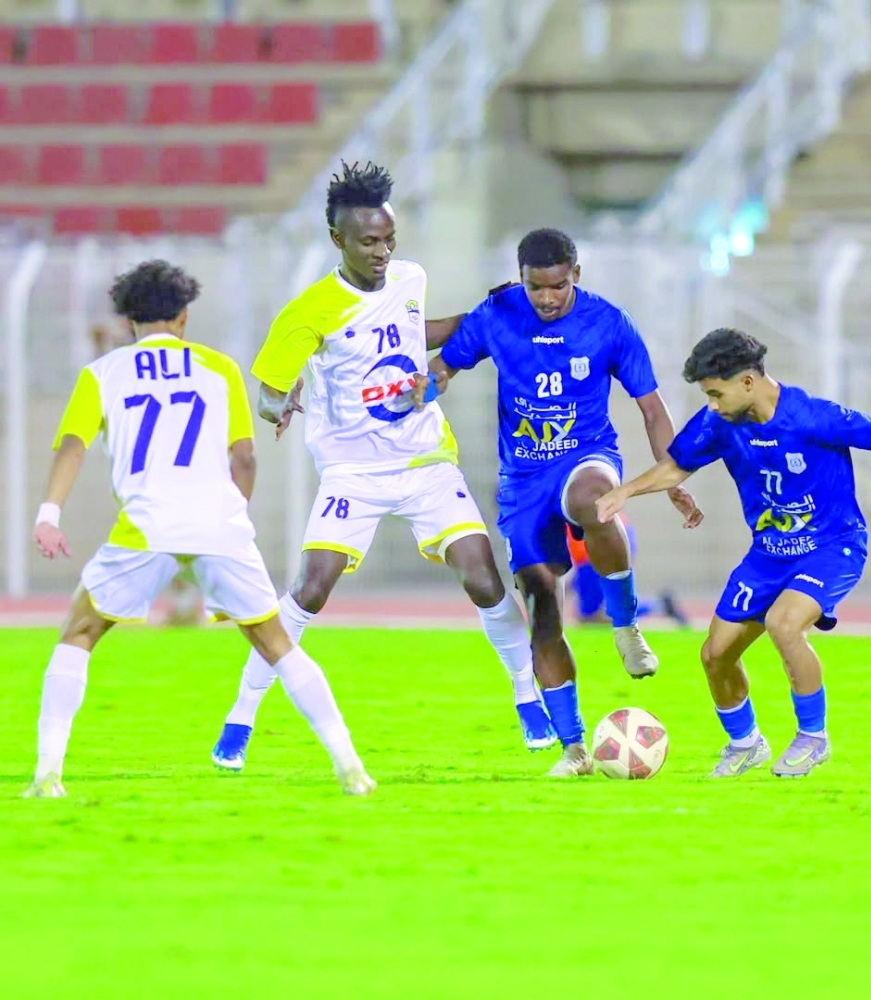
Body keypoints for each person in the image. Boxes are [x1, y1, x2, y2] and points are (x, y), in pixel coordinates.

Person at [211, 162, 556, 771]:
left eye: (389, 238)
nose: (382, 251)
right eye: (369, 241)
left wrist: (482, 315)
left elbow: (410, 331)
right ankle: (241, 716)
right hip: (352, 472)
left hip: (425, 461)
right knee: (310, 590)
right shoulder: (310, 311)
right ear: (337, 239)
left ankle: (527, 697)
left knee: (482, 576)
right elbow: (266, 390)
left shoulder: (409, 278)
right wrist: (279, 402)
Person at [24, 260, 375, 798]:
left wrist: (49, 513)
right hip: (220, 525)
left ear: (128, 319)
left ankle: (48, 775)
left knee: (79, 635)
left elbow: (72, 444)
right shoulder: (220, 368)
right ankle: (351, 768)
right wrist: (232, 520)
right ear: (184, 315)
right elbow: (245, 457)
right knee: (278, 645)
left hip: (145, 529)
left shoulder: (103, 373)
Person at [596, 328, 871, 778]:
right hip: (768, 554)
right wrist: (624, 492)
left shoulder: (810, 415)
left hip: (831, 546)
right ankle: (746, 743)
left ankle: (813, 737)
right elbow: (675, 467)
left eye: (715, 394)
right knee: (715, 654)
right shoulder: (720, 425)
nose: (711, 406)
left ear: (747, 382)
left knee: (785, 625)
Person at [425, 229, 702, 777]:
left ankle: (626, 626)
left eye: (557, 285)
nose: (547, 298)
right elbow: (444, 367)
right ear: (521, 277)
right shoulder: (496, 314)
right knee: (544, 611)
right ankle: (573, 748)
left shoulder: (609, 323)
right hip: (523, 478)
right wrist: (424, 388)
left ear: (576, 273)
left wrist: (672, 474)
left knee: (596, 502)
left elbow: (650, 407)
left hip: (587, 453)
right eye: (535, 287)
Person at [565, 522, 690, 627]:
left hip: (591, 557)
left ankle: (658, 605)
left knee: (591, 616)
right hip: (596, 554)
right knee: (592, 615)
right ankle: (658, 605)